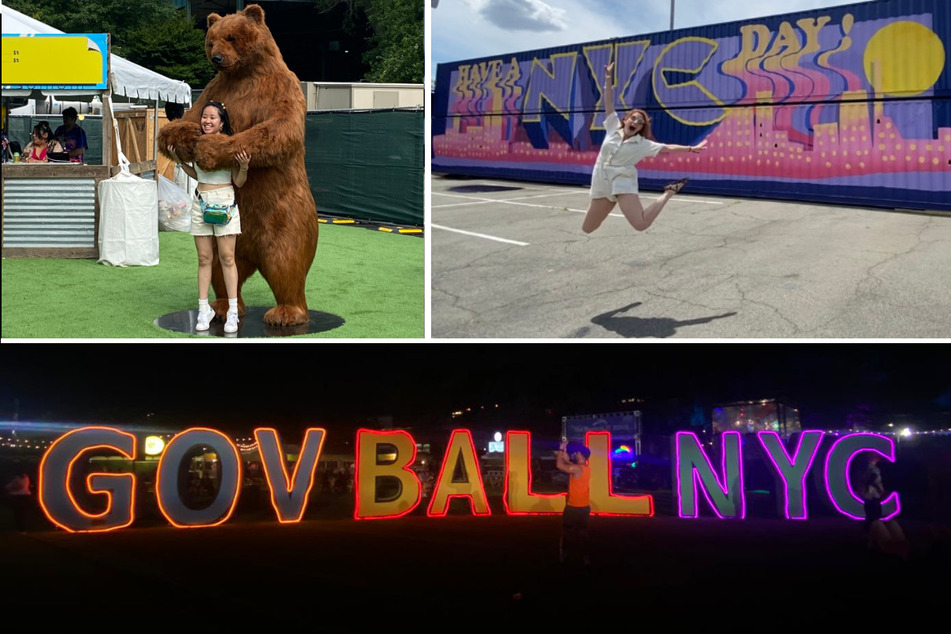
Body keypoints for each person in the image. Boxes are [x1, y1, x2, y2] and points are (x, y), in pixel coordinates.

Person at [582, 62, 708, 234]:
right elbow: (608, 102)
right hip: (602, 182)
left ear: (641, 128)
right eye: (633, 118)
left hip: (622, 182)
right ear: (625, 120)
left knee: (640, 224)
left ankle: (669, 192)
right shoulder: (613, 127)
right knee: (588, 228)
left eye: (640, 122)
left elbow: (667, 148)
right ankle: (610, 202)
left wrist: (690, 148)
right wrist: (608, 78)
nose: (636, 123)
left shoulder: (642, 144)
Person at [167, 101, 251, 334]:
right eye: (205, 116)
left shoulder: (230, 147)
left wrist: (243, 167)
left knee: (227, 257)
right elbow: (197, 174)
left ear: (222, 122)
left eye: (213, 117)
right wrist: (181, 162)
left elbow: (239, 181)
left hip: (225, 202)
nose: (207, 121)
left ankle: (232, 311)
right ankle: (204, 309)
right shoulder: (196, 145)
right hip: (200, 201)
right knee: (204, 258)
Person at [862, 453, 910, 560]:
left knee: (871, 517)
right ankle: (874, 540)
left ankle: (871, 540)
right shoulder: (873, 469)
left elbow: (865, 481)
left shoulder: (866, 469)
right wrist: (880, 489)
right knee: (875, 518)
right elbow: (874, 480)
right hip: (873, 495)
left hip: (868, 495)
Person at [555, 440, 591, 566]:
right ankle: (585, 557)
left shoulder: (576, 468)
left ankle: (563, 556)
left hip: (573, 508)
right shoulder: (585, 467)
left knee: (566, 533)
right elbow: (571, 466)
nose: (574, 454)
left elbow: (560, 466)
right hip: (585, 507)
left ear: (580, 454)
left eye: (576, 453)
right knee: (583, 533)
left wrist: (561, 450)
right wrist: (567, 459)